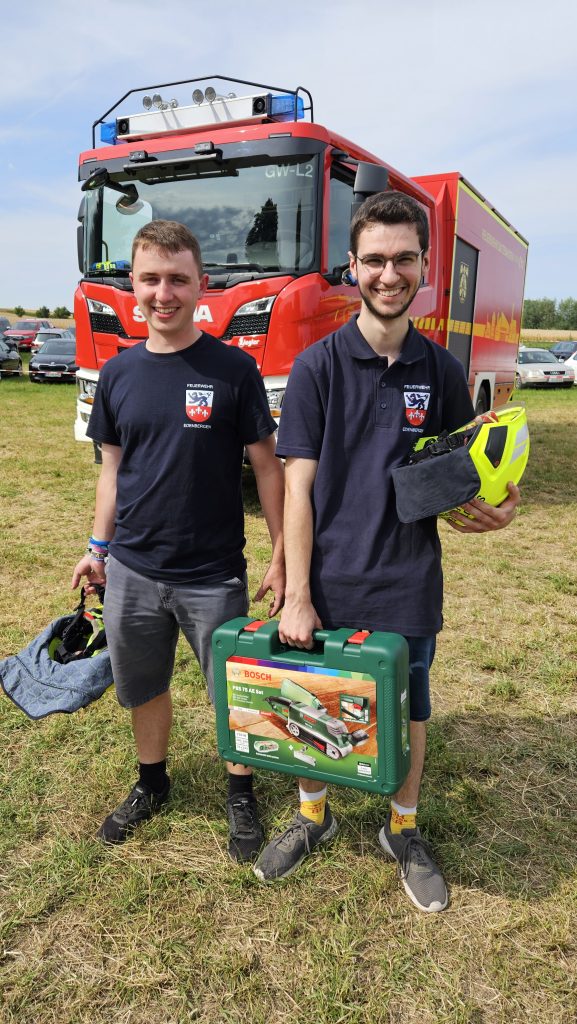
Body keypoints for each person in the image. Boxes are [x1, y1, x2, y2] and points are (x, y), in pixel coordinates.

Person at [252, 192, 519, 910]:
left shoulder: (442, 371)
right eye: (374, 260)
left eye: (404, 259)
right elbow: (297, 488)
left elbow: (463, 473)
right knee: (309, 701)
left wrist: (493, 508)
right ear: (352, 266)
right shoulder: (316, 367)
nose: (388, 274)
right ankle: (314, 814)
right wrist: (297, 593)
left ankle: (402, 829)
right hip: (328, 578)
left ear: (425, 267)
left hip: (408, 578)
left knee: (409, 709)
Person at [72, 220, 284, 861]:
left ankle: (240, 791)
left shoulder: (234, 369)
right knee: (143, 684)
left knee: (232, 688)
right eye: (151, 279)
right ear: (134, 286)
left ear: (201, 285)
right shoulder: (118, 374)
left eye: (177, 280)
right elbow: (112, 471)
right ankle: (152, 782)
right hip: (132, 569)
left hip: (212, 573)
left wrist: (282, 553)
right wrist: (98, 548)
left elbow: (267, 467)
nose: (163, 293)